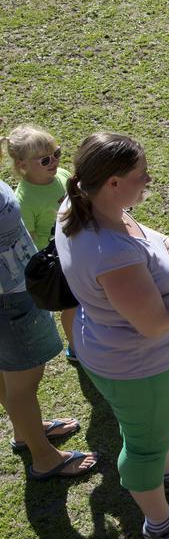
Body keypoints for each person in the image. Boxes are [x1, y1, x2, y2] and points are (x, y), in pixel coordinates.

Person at [55, 132, 169, 539]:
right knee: (142, 445)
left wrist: (163, 244)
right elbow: (157, 324)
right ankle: (160, 524)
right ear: (113, 182)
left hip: (122, 355)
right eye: (141, 175)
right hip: (140, 365)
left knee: (149, 428)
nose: (148, 180)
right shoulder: (112, 255)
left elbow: (134, 228)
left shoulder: (79, 205)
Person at [0, 178, 95, 479]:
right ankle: (44, 459)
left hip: (13, 291)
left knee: (11, 375)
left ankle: (25, 430)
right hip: (8, 299)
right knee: (23, 383)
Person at [3, 125, 77, 361]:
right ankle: (76, 348)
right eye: (45, 160)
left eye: (57, 154)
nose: (54, 162)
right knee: (72, 305)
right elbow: (28, 239)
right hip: (57, 260)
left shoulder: (63, 176)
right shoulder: (23, 200)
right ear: (23, 165)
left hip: (77, 246)